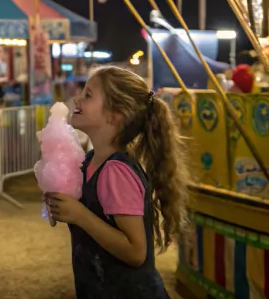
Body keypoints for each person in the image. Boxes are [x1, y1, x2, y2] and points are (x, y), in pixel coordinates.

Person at [45, 65, 189, 299]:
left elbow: (136, 251)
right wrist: (60, 205)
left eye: (88, 95)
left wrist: (80, 215)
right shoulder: (89, 162)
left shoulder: (116, 172)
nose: (77, 99)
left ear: (115, 115)